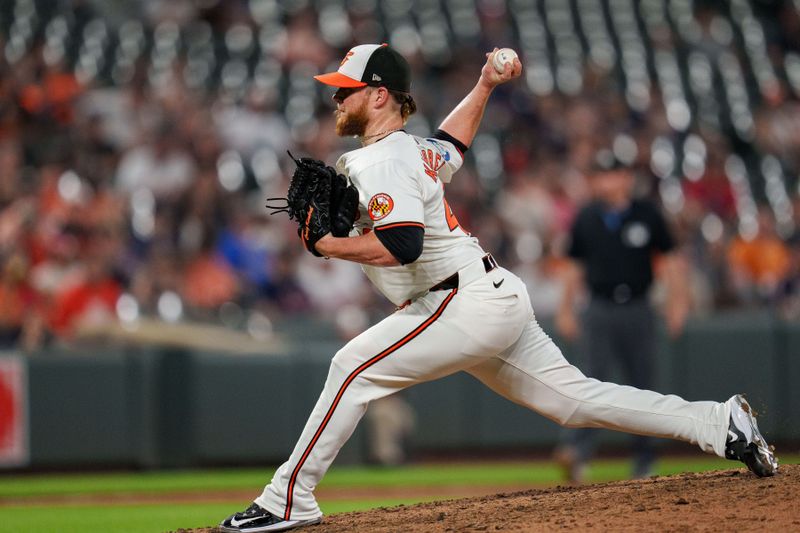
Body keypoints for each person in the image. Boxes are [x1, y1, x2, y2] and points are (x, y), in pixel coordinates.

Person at [220, 44, 777, 533]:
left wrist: (328, 247)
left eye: (346, 90)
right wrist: (484, 85)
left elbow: (404, 244)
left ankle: (286, 499)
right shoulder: (412, 151)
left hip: (459, 300)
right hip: (486, 294)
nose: (336, 100)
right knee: (575, 400)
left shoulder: (382, 158)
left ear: (380, 94)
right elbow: (453, 145)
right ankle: (721, 423)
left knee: (351, 368)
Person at [553, 150, 690, 482]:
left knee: (642, 383)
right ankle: (578, 453)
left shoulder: (646, 214)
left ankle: (645, 460)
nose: (606, 181)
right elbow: (573, 266)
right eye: (600, 175)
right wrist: (566, 308)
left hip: (638, 306)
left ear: (626, 177)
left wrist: (678, 302)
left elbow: (671, 259)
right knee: (591, 381)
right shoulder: (587, 216)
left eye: (612, 174)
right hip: (599, 307)